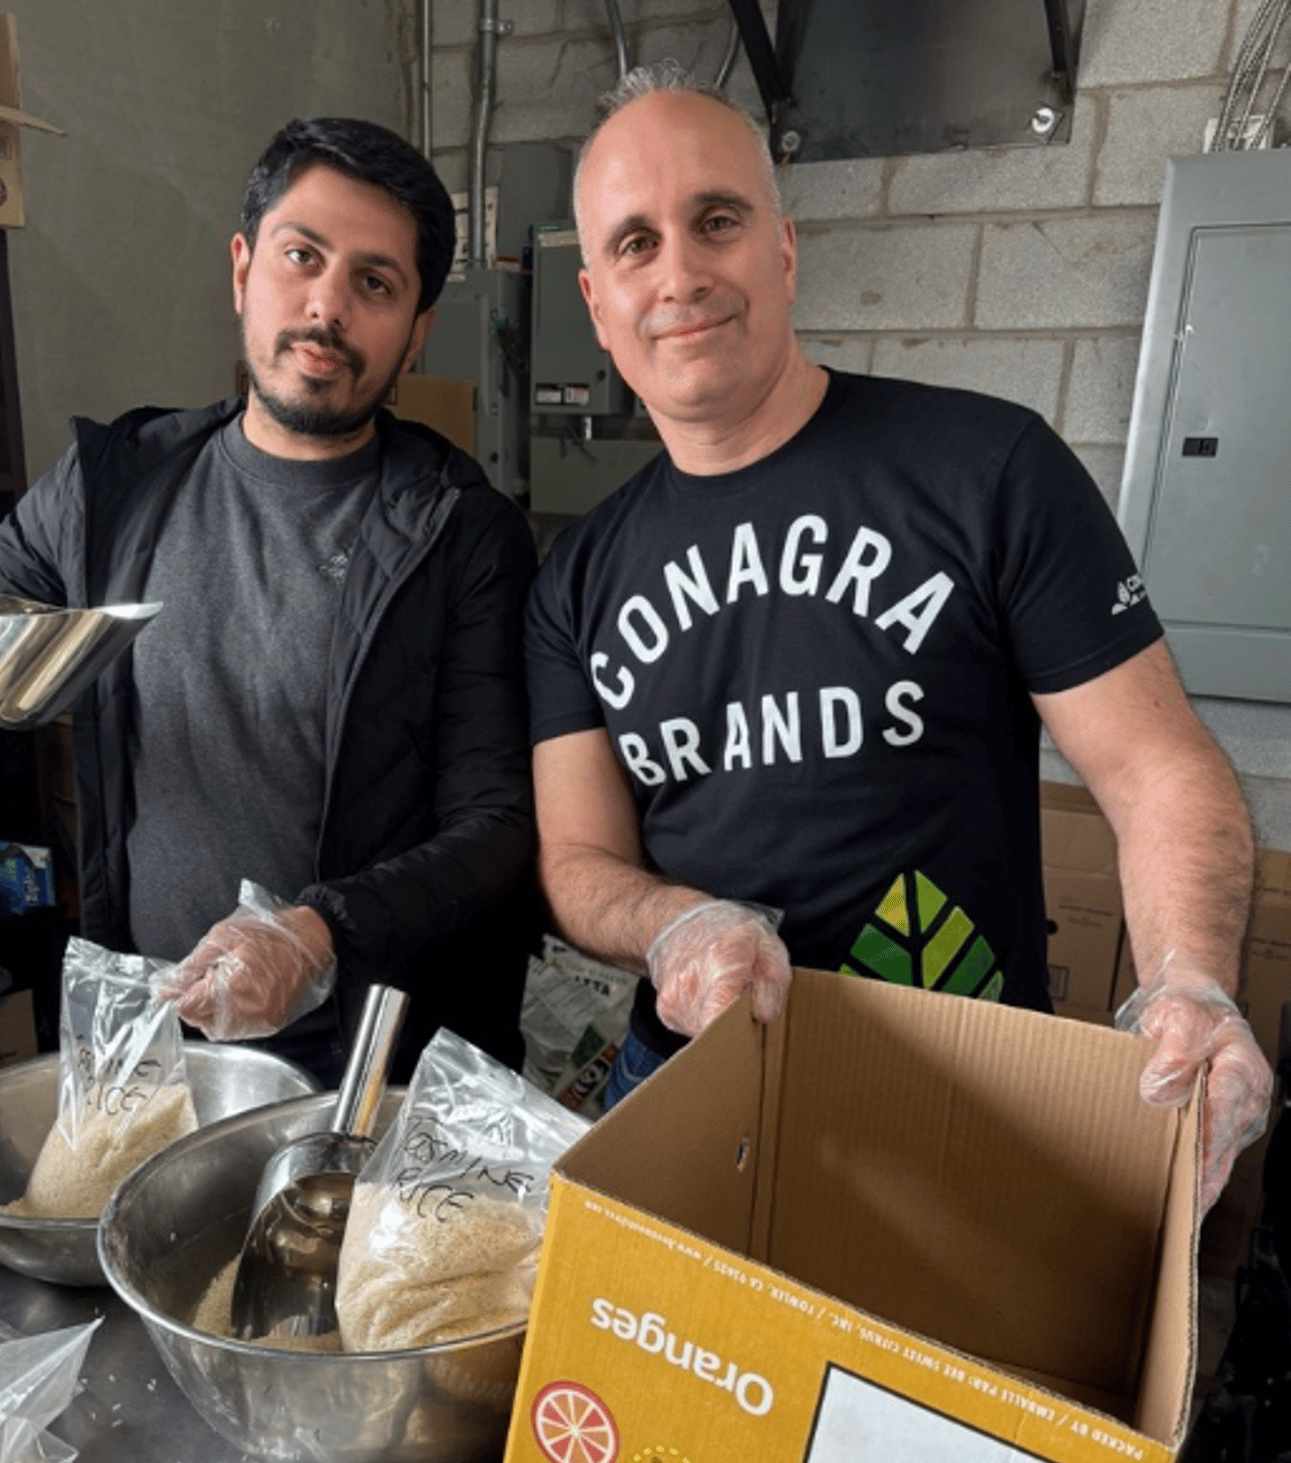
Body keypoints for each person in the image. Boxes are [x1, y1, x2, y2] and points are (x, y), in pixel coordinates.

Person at [525, 62, 1271, 1222]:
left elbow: (1155, 766)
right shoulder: (574, 576)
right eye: (635, 243)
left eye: (715, 220)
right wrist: (674, 924)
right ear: (594, 300)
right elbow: (577, 860)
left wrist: (1189, 981)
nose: (678, 272)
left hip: (957, 1093)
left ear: (782, 247)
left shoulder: (988, 471)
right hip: (688, 1094)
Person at [0, 117, 538, 1082]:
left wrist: (316, 934)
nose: (326, 306)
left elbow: (498, 826)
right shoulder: (111, 487)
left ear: (417, 332)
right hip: (157, 1037)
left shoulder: (462, 534)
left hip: (368, 1062)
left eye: (375, 283)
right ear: (242, 269)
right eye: (302, 256)